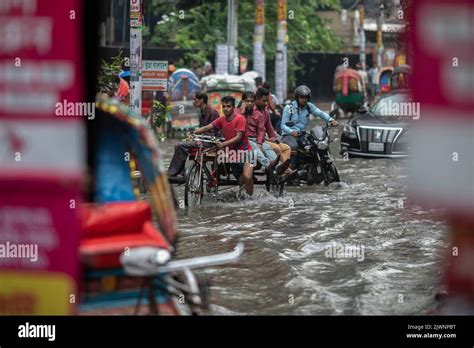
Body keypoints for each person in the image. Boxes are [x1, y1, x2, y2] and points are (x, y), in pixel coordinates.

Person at [194, 96, 254, 196]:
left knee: (247, 177)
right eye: (224, 106)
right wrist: (194, 132)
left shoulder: (240, 118)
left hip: (247, 153)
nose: (225, 108)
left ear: (234, 107)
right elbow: (207, 127)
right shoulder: (221, 119)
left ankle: (252, 201)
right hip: (232, 156)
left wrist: (223, 144)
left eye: (228, 106)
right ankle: (246, 201)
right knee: (241, 181)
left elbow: (238, 138)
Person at [281, 85, 338, 171]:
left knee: (316, 145)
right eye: (302, 97)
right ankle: (289, 168)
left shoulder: (309, 106)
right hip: (289, 135)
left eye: (306, 98)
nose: (304, 100)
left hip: (302, 134)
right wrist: (291, 131)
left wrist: (331, 120)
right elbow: (283, 125)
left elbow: (320, 113)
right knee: (294, 146)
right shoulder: (290, 108)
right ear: (297, 97)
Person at [168, 92, 219, 178]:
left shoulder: (212, 112)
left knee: (180, 145)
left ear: (202, 100)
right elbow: (202, 130)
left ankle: (173, 173)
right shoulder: (203, 111)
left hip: (210, 142)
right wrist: (194, 135)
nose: (193, 102)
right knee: (179, 145)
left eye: (195, 99)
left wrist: (197, 136)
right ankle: (180, 172)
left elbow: (213, 133)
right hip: (203, 139)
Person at [241, 89, 280, 174]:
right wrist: (242, 112)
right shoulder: (239, 113)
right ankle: (268, 164)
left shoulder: (259, 114)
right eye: (247, 101)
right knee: (255, 146)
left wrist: (260, 142)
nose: (249, 103)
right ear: (243, 101)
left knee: (266, 146)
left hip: (255, 139)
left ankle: (278, 166)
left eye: (251, 101)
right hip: (245, 140)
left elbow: (262, 130)